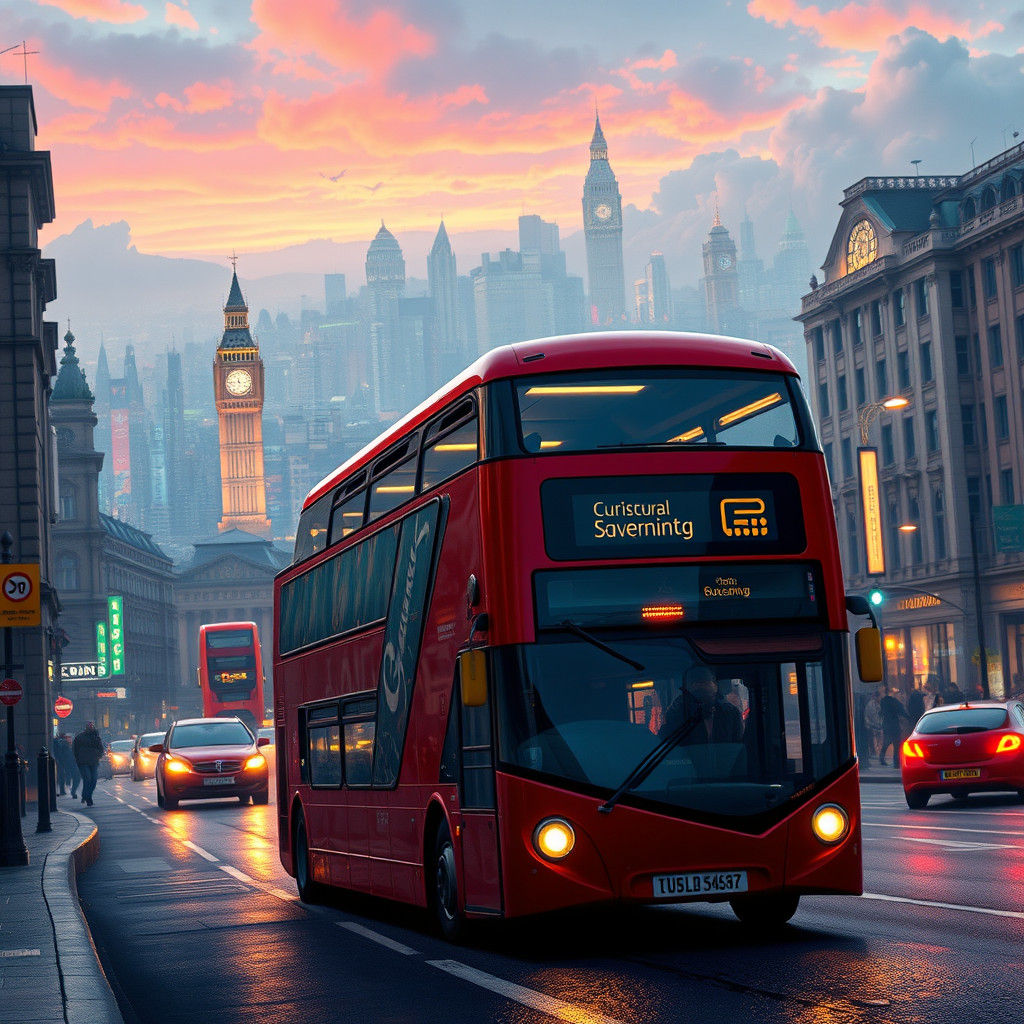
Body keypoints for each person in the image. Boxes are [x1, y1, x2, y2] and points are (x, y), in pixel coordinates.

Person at [660, 665, 743, 744]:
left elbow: (739, 746)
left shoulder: (731, 714)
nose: (703, 701)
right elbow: (665, 745)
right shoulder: (676, 715)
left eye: (707, 693)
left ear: (716, 689)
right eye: (698, 694)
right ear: (687, 694)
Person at [72, 721, 105, 806]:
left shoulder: (96, 737)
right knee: (88, 779)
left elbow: (101, 748)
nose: (90, 727)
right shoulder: (80, 737)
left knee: (93, 780)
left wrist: (98, 755)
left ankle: (86, 795)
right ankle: (87, 797)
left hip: (93, 761)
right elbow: (75, 750)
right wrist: (78, 760)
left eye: (91, 726)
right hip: (83, 762)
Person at [878, 688, 909, 767]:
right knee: (896, 744)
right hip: (894, 725)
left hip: (886, 724)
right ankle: (896, 762)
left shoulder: (883, 701)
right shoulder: (895, 702)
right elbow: (902, 712)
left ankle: (881, 758)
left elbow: (880, 713)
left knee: (886, 742)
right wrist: (909, 718)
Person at [864, 690, 882, 765]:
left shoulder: (877, 704)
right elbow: (868, 716)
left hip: (876, 726)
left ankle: (876, 753)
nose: (880, 698)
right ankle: (874, 753)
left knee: (877, 741)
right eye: (879, 697)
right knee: (873, 741)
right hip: (872, 726)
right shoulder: (871, 705)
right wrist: (871, 724)